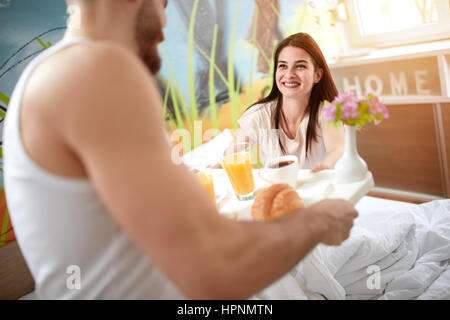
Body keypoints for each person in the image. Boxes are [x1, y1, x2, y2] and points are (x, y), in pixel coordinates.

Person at [3, 0, 357, 299]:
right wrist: (317, 221)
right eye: (164, 3)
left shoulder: (54, 73)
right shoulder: (98, 68)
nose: (166, 24)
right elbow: (213, 264)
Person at [237, 32, 345, 171]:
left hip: (319, 189)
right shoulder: (259, 115)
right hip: (279, 191)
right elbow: (232, 156)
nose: (289, 75)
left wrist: (325, 166)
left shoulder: (327, 111)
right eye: (283, 66)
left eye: (300, 66)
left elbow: (337, 149)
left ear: (317, 75)